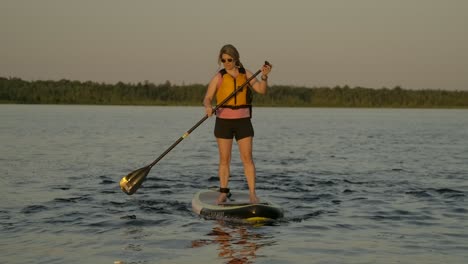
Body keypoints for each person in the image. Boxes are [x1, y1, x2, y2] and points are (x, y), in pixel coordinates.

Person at [203, 44, 272, 204]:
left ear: (236, 59)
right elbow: (207, 97)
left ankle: (253, 194)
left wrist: (264, 77)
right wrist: (208, 106)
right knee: (224, 159)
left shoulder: (245, 74)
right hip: (223, 122)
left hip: (243, 121)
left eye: (229, 59)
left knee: (247, 158)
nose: (226, 63)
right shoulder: (219, 76)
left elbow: (261, 90)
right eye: (223, 60)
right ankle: (223, 193)